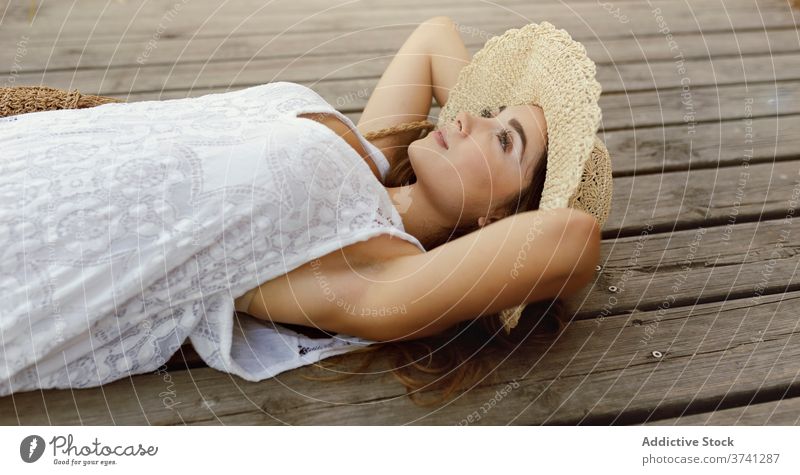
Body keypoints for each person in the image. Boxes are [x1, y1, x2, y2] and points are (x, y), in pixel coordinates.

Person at [0, 17, 611, 403]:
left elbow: (573, 237)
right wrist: (489, 143)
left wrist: (528, 187)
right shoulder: (373, 158)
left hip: (35, 240)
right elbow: (433, 34)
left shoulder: (374, 271)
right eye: (488, 110)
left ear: (498, 224)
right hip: (43, 156)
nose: (472, 117)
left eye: (505, 140)